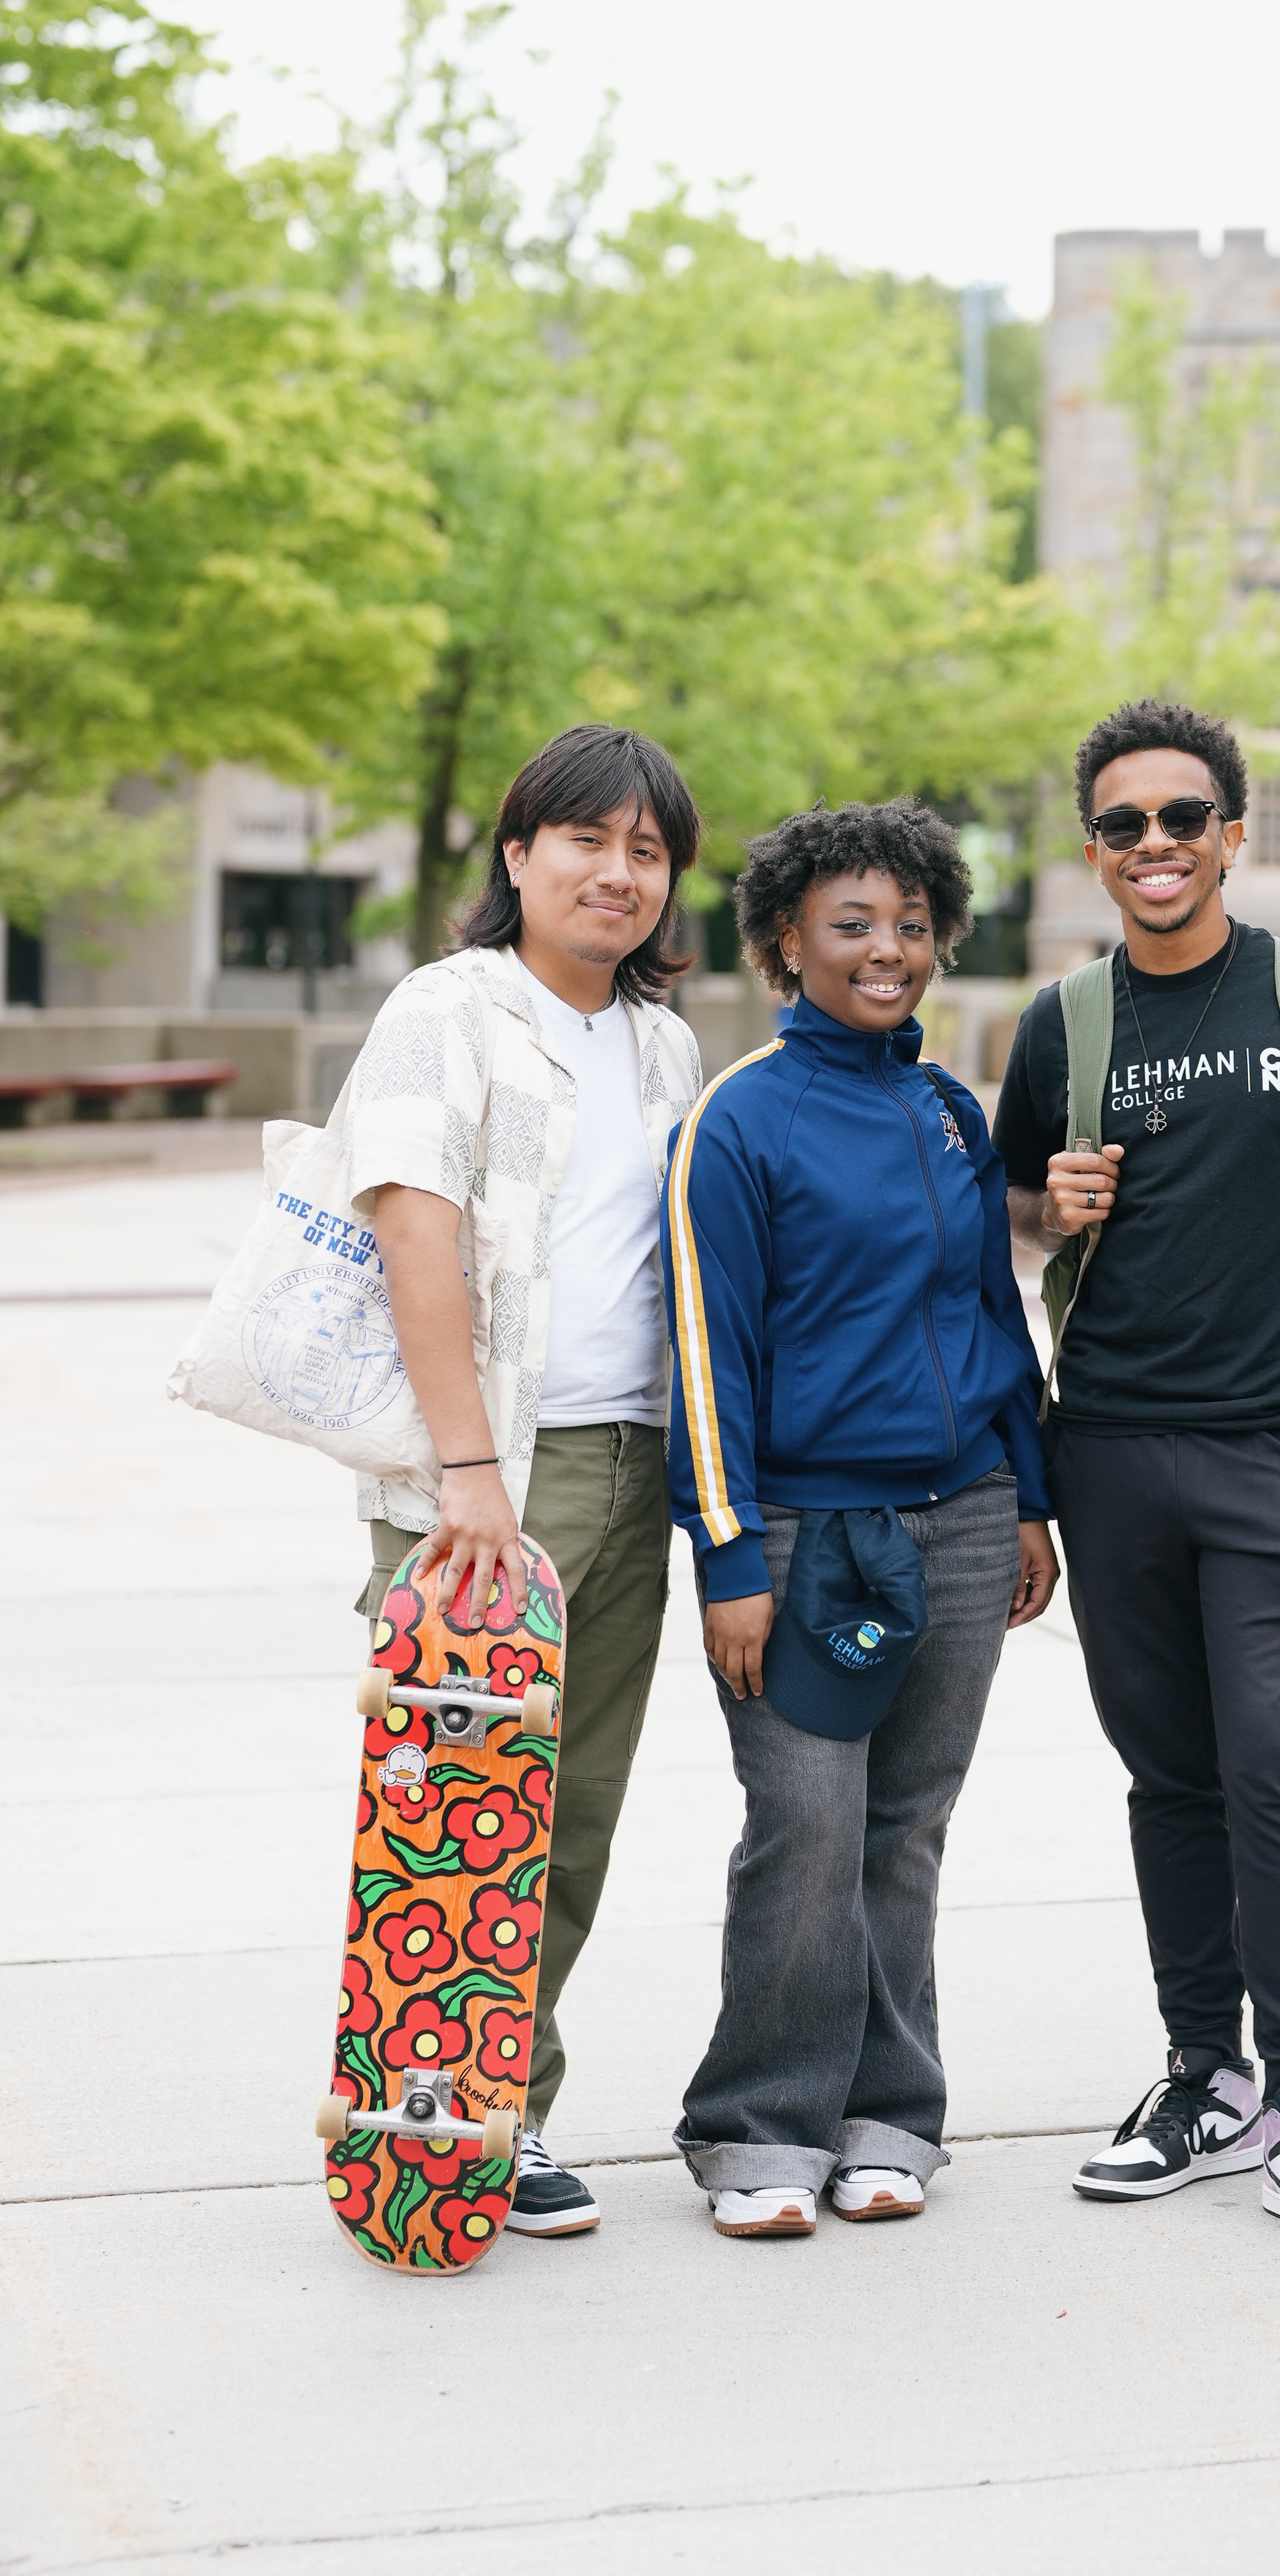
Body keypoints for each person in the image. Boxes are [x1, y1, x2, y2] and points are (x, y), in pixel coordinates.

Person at [995, 697, 1280, 2251]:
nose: (1157, 846)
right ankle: (1203, 2073)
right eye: (1125, 825)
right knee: (1170, 1778)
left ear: (1232, 833)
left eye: (1185, 819)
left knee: (1271, 1766)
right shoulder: (1065, 1023)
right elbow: (1017, 1221)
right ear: (1096, 850)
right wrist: (1052, 1198)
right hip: (1111, 1446)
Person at [662, 801, 1058, 2241]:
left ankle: (893, 2111)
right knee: (807, 1825)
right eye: (852, 924)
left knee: (907, 1829)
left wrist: (1030, 1497)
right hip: (803, 1534)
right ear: (781, 942)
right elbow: (711, 1354)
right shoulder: (736, 1119)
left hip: (963, 1521)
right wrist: (728, 1555)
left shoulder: (953, 1110)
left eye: (910, 923)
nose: (888, 950)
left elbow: (989, 1317)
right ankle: (757, 2122)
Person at [350, 722, 706, 2238]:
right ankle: (425, 2120)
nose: (617, 873)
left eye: (647, 850)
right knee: (457, 1814)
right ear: (517, 854)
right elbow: (411, 1231)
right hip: (497, 1470)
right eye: (587, 840)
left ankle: (507, 2106)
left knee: (576, 1813)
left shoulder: (664, 1039)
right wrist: (470, 1471)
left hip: (635, 1461)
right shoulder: (451, 1011)